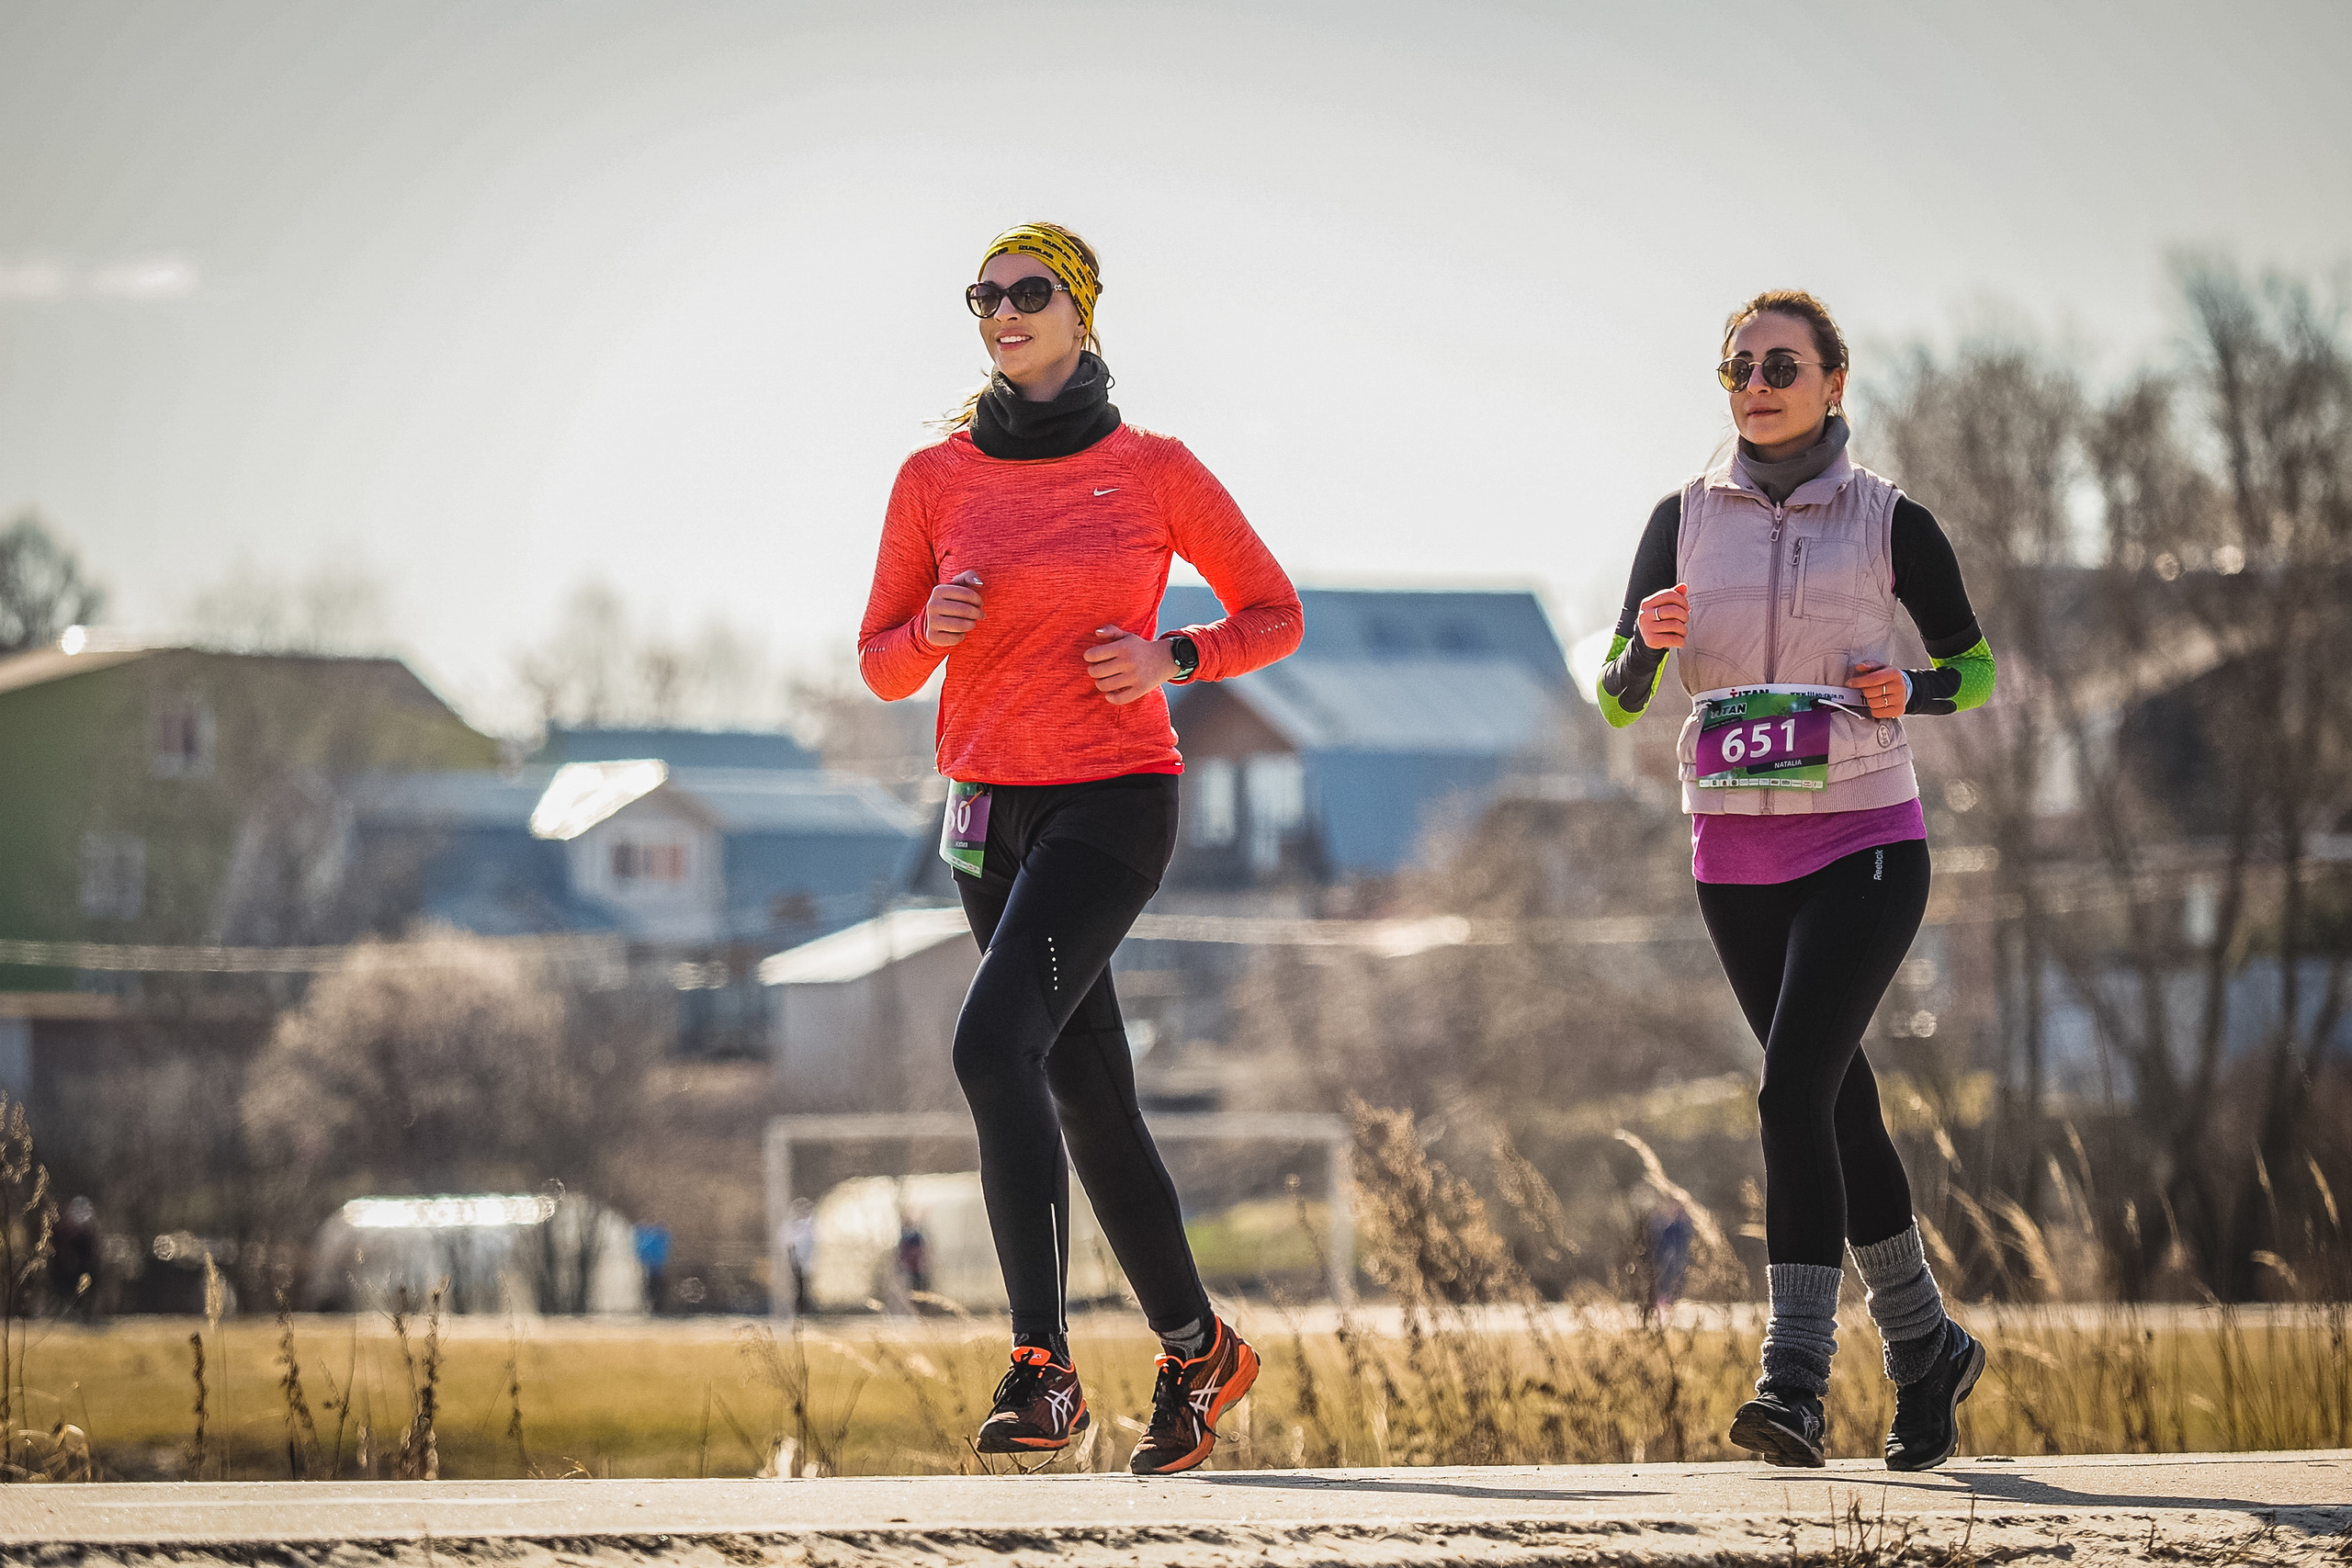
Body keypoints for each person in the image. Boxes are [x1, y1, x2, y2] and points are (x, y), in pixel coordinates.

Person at [857, 221, 1301, 1474]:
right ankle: (1198, 1352)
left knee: (990, 1044)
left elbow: (1274, 611)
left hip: (1113, 800)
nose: (1003, 311)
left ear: (1083, 311)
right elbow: (880, 662)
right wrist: (931, 630)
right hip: (984, 819)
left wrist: (1179, 656)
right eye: (984, 295)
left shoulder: (1153, 468)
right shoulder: (935, 479)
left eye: (1028, 292)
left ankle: (1043, 1369)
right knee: (1088, 1096)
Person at [1596, 289, 1996, 1472]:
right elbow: (1618, 693)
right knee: (1836, 1100)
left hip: (1867, 835)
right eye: (1737, 367)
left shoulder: (1888, 520)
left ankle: (1795, 1380)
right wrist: (1643, 647)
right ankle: (1926, 1344)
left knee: (1788, 1093)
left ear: (1833, 383)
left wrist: (1909, 692)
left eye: (1782, 364)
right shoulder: (1679, 519)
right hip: (1734, 850)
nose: (1756, 384)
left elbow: (1972, 668)